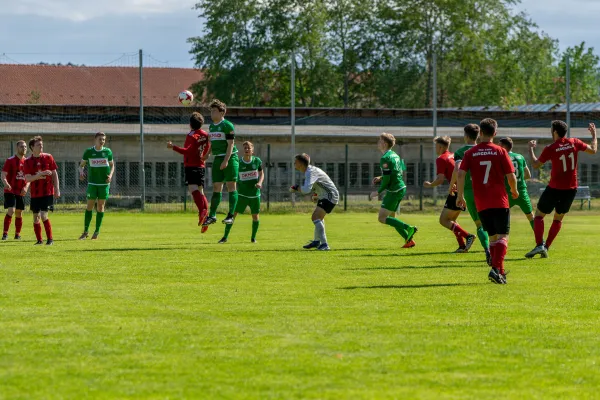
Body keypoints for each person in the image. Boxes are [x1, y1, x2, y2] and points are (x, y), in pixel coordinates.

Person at [457, 118, 518, 284]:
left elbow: (460, 174)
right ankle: (496, 269)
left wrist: (460, 195)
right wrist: (514, 190)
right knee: (503, 236)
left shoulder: (469, 153)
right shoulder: (500, 151)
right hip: (499, 200)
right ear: (495, 133)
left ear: (480, 133)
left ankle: (500, 271)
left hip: (481, 203)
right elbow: (511, 176)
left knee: (492, 237)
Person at [525, 121, 597, 258]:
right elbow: (593, 150)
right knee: (558, 219)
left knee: (539, 215)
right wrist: (594, 135)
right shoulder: (574, 142)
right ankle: (546, 247)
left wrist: (530, 149)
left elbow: (535, 165)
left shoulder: (551, 148)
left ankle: (540, 244)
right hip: (570, 189)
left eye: (551, 130)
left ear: (555, 132)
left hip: (554, 188)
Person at [424, 136, 475, 252]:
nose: (435, 148)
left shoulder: (441, 158)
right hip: (464, 188)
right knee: (452, 220)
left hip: (456, 190)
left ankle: (468, 236)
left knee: (443, 220)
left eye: (436, 146)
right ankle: (462, 246)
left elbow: (440, 179)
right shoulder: (453, 155)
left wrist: (430, 184)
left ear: (441, 146)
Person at [452, 124, 492, 264]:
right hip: (487, 190)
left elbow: (458, 170)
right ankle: (496, 250)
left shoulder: (461, 152)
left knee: (479, 224)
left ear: (466, 136)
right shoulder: (485, 149)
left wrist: (459, 194)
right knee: (492, 224)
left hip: (470, 190)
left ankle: (487, 250)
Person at [370, 133, 418, 248]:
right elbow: (400, 170)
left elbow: (387, 179)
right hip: (401, 188)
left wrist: (378, 192)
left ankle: (409, 228)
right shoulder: (395, 155)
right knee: (392, 217)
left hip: (394, 190)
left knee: (382, 218)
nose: (378, 142)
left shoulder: (385, 158)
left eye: (380, 140)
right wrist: (381, 177)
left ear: (384, 144)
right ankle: (408, 241)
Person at [167, 112, 211, 232]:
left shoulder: (191, 135)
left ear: (190, 124)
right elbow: (208, 146)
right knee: (201, 191)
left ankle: (202, 212)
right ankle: (205, 219)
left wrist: (173, 147)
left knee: (193, 189)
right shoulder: (205, 134)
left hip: (191, 165)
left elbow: (187, 151)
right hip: (201, 165)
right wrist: (204, 156)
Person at [290, 153, 339, 251]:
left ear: (300, 163)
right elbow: (320, 184)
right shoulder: (310, 171)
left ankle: (324, 244)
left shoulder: (310, 172)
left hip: (330, 196)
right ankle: (317, 241)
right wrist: (316, 195)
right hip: (326, 195)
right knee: (318, 217)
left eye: (295, 162)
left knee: (315, 217)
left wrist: (296, 188)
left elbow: (306, 190)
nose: (294, 164)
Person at [202, 99, 239, 227]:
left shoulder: (228, 125)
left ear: (222, 112)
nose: (212, 114)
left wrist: (226, 161)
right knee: (217, 187)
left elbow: (231, 145)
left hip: (230, 158)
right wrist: (207, 154)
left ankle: (230, 215)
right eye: (211, 111)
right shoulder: (211, 127)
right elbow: (212, 143)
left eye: (214, 111)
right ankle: (212, 215)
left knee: (231, 186)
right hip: (218, 158)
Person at [219, 141, 263, 243]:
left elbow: (262, 174)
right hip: (242, 195)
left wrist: (260, 182)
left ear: (252, 150)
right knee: (233, 215)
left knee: (255, 216)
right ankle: (225, 237)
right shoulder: (239, 162)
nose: (247, 150)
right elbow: (234, 176)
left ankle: (253, 238)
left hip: (255, 195)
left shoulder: (257, 161)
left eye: (249, 148)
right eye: (245, 148)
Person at [24, 136, 60, 245]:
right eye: (38, 145)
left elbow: (54, 174)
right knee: (36, 218)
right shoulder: (27, 161)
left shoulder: (48, 157)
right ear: (32, 147)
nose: (41, 147)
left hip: (47, 192)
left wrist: (57, 189)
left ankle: (50, 239)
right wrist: (39, 175)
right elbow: (27, 178)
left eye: (42, 145)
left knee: (44, 215)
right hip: (35, 194)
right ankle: (39, 240)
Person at [78, 132, 114, 240]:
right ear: (95, 139)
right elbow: (81, 166)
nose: (102, 141)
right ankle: (85, 231)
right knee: (89, 206)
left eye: (103, 139)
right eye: (100, 139)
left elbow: (112, 165)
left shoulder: (108, 152)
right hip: (92, 184)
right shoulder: (89, 152)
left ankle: (96, 232)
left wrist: (110, 176)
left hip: (104, 184)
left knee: (100, 206)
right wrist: (81, 173)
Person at [497, 137, 535, 229]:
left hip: (507, 191)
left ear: (503, 146)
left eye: (499, 145)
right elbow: (528, 175)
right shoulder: (520, 157)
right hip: (521, 191)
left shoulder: (501, 158)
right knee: (531, 216)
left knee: (502, 217)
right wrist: (518, 180)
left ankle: (502, 240)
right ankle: (540, 240)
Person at [2, 140, 30, 240]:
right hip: (10, 190)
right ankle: (5, 234)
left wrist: (26, 187)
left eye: (25, 147)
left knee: (19, 212)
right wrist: (6, 183)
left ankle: (17, 234)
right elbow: (3, 174)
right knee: (11, 210)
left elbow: (29, 178)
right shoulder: (10, 160)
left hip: (21, 191)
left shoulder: (26, 162)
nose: (24, 148)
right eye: (22, 146)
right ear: (17, 148)